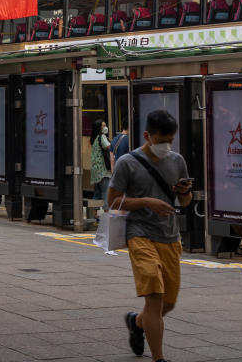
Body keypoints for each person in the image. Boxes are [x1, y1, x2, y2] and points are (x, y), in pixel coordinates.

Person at [108, 110, 192, 362]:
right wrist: (146, 201)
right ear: (147, 135)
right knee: (154, 297)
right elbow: (112, 202)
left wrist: (185, 192)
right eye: (161, 140)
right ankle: (159, 358)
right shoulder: (127, 163)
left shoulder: (177, 161)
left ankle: (137, 322)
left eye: (171, 140)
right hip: (139, 234)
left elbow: (184, 202)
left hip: (169, 236)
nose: (166, 146)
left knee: (169, 302)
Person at [90, 119, 113, 203]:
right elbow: (108, 147)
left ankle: (94, 212)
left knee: (97, 193)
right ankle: (107, 212)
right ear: (99, 128)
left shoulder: (94, 138)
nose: (105, 127)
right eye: (103, 126)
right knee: (105, 192)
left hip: (95, 170)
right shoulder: (102, 137)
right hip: (103, 170)